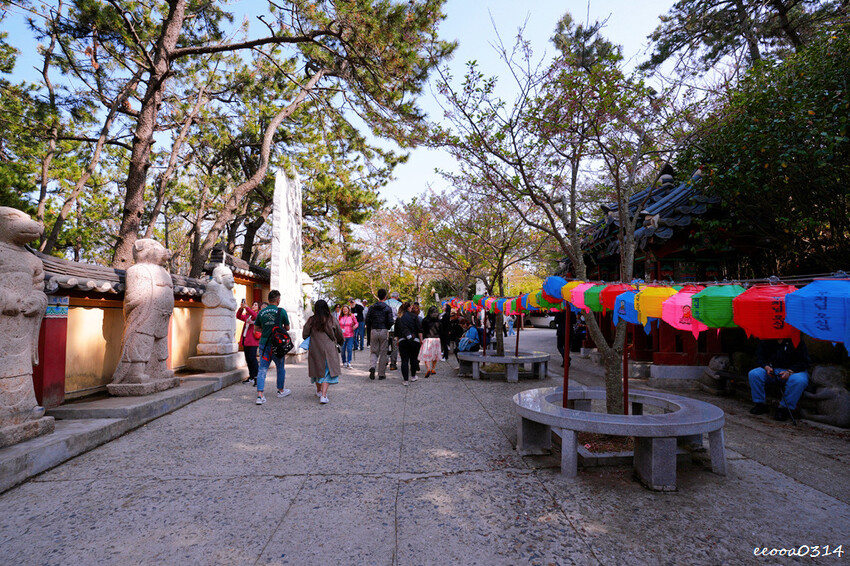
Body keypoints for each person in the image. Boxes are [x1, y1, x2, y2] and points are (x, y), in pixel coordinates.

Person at [749, 338, 810, 421]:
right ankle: (760, 404)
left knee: (799, 381)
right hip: (773, 370)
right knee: (754, 374)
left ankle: (784, 408)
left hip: (795, 371)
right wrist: (766, 367)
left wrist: (790, 371)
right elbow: (760, 357)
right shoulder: (767, 340)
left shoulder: (797, 341)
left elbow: (805, 362)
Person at [253, 290, 291, 405]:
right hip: (277, 345)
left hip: (264, 344)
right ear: (278, 300)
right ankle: (281, 390)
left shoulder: (261, 312)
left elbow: (256, 328)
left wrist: (266, 329)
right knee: (280, 367)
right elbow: (287, 328)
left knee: (262, 368)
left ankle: (260, 395)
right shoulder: (281, 311)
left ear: (268, 299)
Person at [303, 299, 344, 404]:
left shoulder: (311, 320)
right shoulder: (332, 319)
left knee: (317, 370)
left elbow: (305, 334)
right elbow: (339, 333)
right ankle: (324, 395)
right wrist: (340, 342)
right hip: (329, 349)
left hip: (315, 348)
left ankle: (319, 391)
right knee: (327, 372)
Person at [365, 288, 394, 380]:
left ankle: (372, 366)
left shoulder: (372, 308)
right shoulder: (388, 308)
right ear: (385, 297)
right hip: (384, 330)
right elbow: (391, 321)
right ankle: (381, 374)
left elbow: (367, 320)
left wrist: (371, 327)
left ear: (378, 296)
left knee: (374, 351)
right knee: (383, 352)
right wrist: (387, 327)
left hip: (374, 330)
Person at [395, 302, 422, 385]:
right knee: (414, 359)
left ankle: (405, 380)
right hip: (414, 341)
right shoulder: (414, 316)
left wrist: (398, 341)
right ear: (408, 308)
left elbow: (396, 333)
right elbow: (419, 330)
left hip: (403, 341)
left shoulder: (399, 318)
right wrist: (421, 340)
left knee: (404, 360)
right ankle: (413, 376)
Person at [236, 300, 260, 385]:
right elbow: (238, 316)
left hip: (253, 340)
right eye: (253, 304)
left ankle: (257, 376)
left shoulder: (258, 314)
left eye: (255, 305)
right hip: (245, 339)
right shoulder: (248, 315)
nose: (253, 306)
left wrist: (247, 308)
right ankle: (251, 377)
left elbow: (256, 316)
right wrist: (241, 308)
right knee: (248, 359)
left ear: (258, 307)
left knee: (253, 359)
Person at [420, 306, 442, 377]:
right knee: (435, 355)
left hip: (427, 339)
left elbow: (421, 330)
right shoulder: (438, 321)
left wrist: (421, 339)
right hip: (436, 339)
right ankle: (433, 368)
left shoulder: (425, 320)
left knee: (426, 355)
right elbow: (441, 330)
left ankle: (428, 368)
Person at [338, 304, 358, 368]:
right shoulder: (340, 316)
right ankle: (344, 362)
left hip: (350, 335)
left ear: (348, 310)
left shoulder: (352, 316)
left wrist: (355, 326)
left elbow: (356, 323)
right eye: (344, 309)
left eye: (346, 309)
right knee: (342, 350)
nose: (345, 310)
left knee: (349, 349)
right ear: (342, 310)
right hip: (342, 336)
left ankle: (349, 362)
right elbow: (338, 324)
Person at [386, 291, 403, 371]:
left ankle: (385, 361)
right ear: (397, 297)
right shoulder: (400, 304)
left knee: (385, 346)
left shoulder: (386, 303)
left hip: (386, 328)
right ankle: (393, 364)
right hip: (396, 328)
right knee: (394, 347)